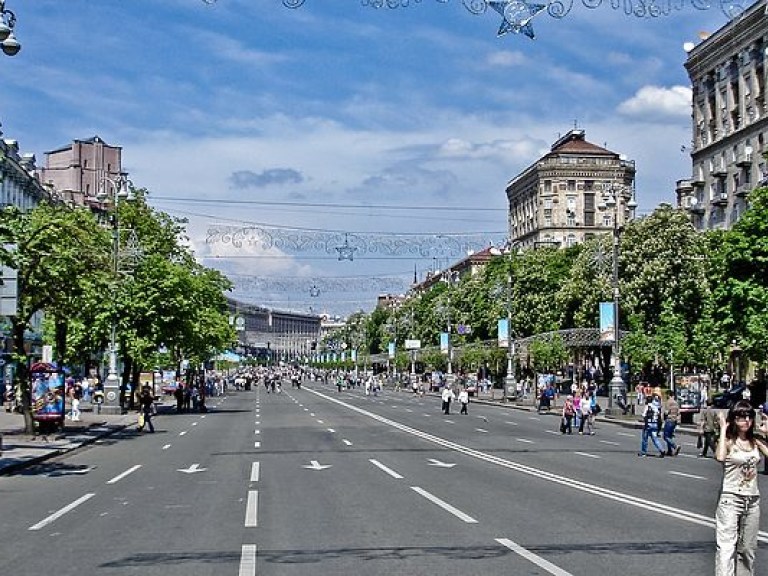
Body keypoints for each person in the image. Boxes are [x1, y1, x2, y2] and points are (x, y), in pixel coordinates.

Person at [714, 400, 768, 576]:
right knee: (726, 548)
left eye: (749, 417)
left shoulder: (755, 441)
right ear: (733, 419)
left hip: (752, 500)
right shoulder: (729, 441)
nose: (746, 421)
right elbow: (720, 457)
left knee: (747, 550)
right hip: (731, 499)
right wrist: (723, 429)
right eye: (741, 417)